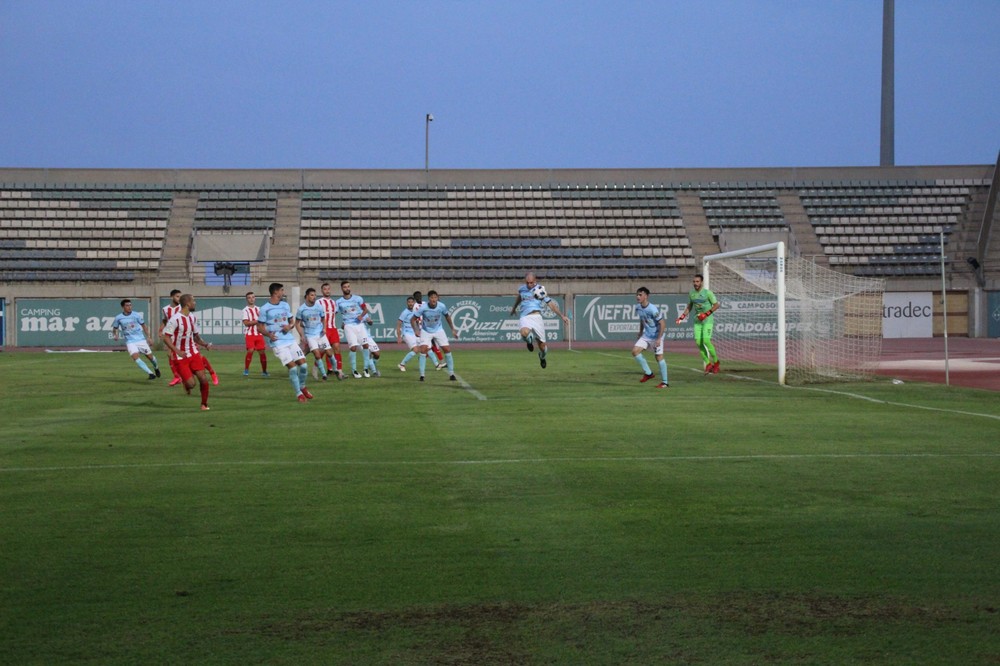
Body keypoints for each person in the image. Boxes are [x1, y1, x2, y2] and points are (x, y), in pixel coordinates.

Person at [257, 282, 313, 402]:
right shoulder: (264, 308)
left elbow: (292, 321)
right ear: (275, 292)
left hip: (290, 340)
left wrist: (290, 326)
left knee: (303, 365)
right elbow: (259, 327)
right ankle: (299, 394)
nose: (283, 292)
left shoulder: (285, 305)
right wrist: (268, 334)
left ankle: (302, 386)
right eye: (282, 290)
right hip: (278, 343)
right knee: (293, 368)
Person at [160, 294, 213, 410]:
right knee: (191, 384)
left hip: (193, 353)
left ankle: (204, 404)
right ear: (188, 304)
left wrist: (205, 344)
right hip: (180, 356)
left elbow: (196, 336)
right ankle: (186, 383)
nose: (195, 303)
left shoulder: (192, 317)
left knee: (203, 379)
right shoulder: (175, 319)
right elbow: (166, 337)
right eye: (194, 301)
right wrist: (177, 350)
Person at [509, 271, 570, 369]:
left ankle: (542, 357)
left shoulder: (540, 290)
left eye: (531, 283)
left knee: (543, 347)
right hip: (525, 316)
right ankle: (529, 342)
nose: (529, 285)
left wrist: (562, 316)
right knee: (524, 332)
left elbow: (551, 304)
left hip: (537, 317)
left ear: (535, 281)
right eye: (527, 283)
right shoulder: (522, 289)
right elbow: (519, 297)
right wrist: (514, 308)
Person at [160, 288, 219, 387]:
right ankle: (180, 377)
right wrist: (161, 329)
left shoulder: (185, 311)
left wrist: (204, 344)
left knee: (197, 357)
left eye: (180, 297)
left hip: (188, 337)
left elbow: (194, 332)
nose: (178, 299)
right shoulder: (166, 309)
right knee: (171, 356)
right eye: (177, 296)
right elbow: (166, 321)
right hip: (175, 338)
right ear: (172, 297)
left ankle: (212, 372)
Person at [676, 273, 721, 374]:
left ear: (701, 282)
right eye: (694, 281)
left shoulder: (708, 293)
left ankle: (716, 362)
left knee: (706, 340)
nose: (695, 283)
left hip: (707, 320)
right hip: (697, 321)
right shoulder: (691, 293)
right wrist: (681, 317)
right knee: (698, 343)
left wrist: (706, 314)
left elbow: (716, 305)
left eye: (697, 281)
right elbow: (689, 307)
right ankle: (708, 364)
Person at [413, 290, 458, 381]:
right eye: (431, 297)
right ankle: (422, 375)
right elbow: (412, 319)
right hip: (426, 331)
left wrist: (452, 329)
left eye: (435, 297)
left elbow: (447, 316)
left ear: (437, 298)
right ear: (429, 299)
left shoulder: (441, 306)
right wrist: (416, 330)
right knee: (423, 350)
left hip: (438, 330)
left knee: (447, 349)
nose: (433, 299)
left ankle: (451, 374)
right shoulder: (423, 308)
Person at [111, 298, 160, 380]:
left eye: (130, 305)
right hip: (130, 341)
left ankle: (156, 367)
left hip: (141, 340)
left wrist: (149, 337)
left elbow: (144, 326)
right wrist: (115, 335)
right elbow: (114, 328)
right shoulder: (118, 317)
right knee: (135, 357)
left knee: (150, 358)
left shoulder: (136, 315)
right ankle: (150, 373)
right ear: (123, 307)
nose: (129, 307)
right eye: (127, 305)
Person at [632, 287, 669, 389]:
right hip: (646, 335)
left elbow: (662, 323)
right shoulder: (638, 307)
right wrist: (640, 331)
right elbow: (642, 320)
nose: (638, 297)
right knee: (635, 351)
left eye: (640, 295)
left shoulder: (652, 309)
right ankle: (648, 373)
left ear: (646, 296)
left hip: (656, 336)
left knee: (658, 357)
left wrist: (658, 338)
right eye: (637, 295)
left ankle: (665, 382)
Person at [295, 287, 334, 381]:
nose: (314, 297)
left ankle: (337, 370)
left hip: (320, 333)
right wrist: (302, 335)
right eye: (312, 295)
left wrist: (324, 328)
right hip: (310, 335)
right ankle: (324, 374)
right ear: (307, 296)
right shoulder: (301, 309)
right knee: (316, 354)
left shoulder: (319, 306)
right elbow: (297, 323)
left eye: (315, 295)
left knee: (328, 352)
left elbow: (323, 318)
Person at [335, 280, 372, 379]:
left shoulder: (358, 298)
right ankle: (354, 370)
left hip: (359, 325)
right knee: (353, 347)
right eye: (345, 287)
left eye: (348, 286)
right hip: (348, 326)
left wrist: (361, 316)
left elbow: (365, 309)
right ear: (342, 289)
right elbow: (334, 313)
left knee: (366, 345)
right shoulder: (338, 302)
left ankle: (366, 369)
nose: (347, 288)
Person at [413, 290, 447, 370]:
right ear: (415, 298)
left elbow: (434, 306)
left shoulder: (425, 303)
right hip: (423, 328)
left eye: (420, 295)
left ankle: (437, 362)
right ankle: (440, 362)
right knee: (431, 346)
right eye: (417, 296)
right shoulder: (415, 306)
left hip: (431, 326)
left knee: (432, 346)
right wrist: (417, 328)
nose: (419, 297)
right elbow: (415, 317)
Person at [317, 282, 344, 377]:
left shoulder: (334, 302)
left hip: (333, 328)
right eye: (325, 289)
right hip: (324, 329)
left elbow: (334, 314)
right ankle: (318, 367)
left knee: (337, 348)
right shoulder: (319, 302)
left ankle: (339, 370)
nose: (327, 291)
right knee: (324, 350)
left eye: (328, 289)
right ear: (322, 291)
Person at [241, 291, 268, 377]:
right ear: (246, 299)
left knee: (262, 352)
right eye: (249, 297)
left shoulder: (259, 309)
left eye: (253, 297)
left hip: (259, 334)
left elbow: (263, 321)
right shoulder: (245, 310)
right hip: (249, 334)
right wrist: (257, 321)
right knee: (251, 350)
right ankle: (246, 370)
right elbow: (246, 323)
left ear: (255, 298)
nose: (251, 299)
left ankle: (264, 371)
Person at [396, 296, 424, 372]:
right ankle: (402, 364)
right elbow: (399, 324)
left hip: (414, 333)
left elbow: (417, 322)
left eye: (412, 302)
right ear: (407, 303)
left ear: (414, 303)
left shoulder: (416, 311)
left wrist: (418, 331)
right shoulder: (405, 312)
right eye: (409, 302)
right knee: (415, 350)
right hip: (407, 333)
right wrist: (399, 336)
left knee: (424, 348)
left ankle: (436, 364)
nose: (410, 303)